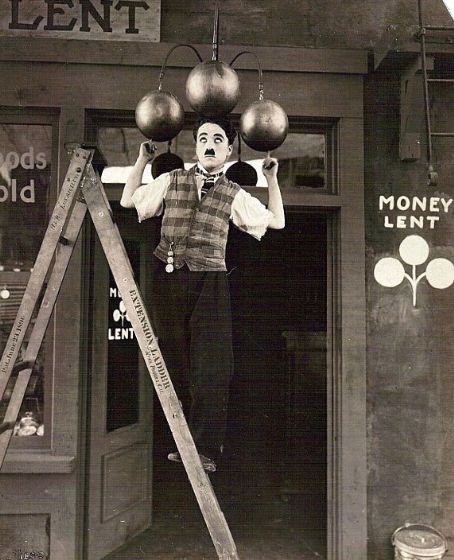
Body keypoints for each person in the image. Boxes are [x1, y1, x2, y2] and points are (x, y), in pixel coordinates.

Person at [120, 116, 285, 472]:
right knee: (172, 358)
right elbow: (128, 200)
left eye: (218, 139)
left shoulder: (233, 192)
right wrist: (142, 160)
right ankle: (180, 442)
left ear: (228, 150)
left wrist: (271, 179)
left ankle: (205, 448)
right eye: (204, 139)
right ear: (195, 147)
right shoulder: (171, 180)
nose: (210, 144)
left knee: (212, 364)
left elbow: (277, 221)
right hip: (171, 277)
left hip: (211, 282)